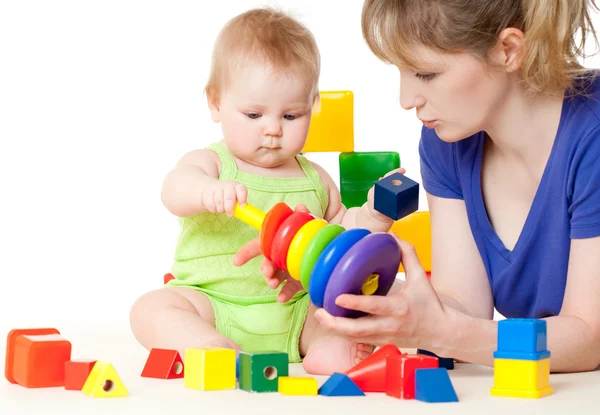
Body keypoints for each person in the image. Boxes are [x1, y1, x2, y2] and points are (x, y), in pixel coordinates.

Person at [234, 0, 600, 373]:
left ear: (508, 50)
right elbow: (461, 309)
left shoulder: (593, 138)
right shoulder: (448, 143)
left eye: (425, 74)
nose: (406, 100)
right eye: (401, 72)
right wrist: (342, 276)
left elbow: (588, 340)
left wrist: (445, 333)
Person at [129, 7, 399, 376]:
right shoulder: (212, 163)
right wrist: (208, 190)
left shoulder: (315, 178)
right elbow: (173, 189)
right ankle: (210, 346)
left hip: (296, 308)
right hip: (213, 303)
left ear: (311, 108)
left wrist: (371, 215)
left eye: (291, 116)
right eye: (254, 115)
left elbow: (340, 232)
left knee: (340, 313)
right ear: (216, 103)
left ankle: (329, 349)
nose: (273, 128)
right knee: (151, 308)